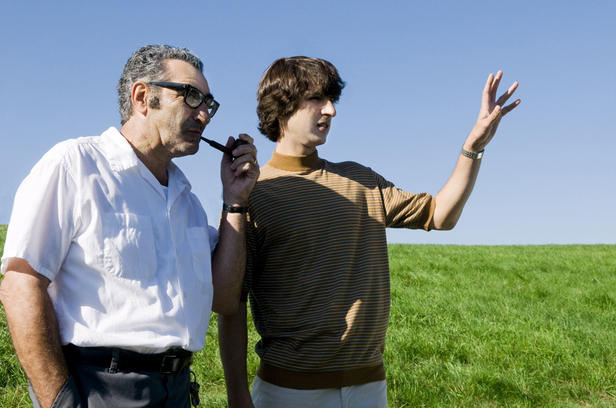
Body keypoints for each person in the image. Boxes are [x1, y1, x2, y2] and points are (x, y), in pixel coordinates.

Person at [218, 56, 520, 408]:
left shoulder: (361, 180)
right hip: (287, 392)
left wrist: (474, 147)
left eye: (332, 100)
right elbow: (232, 305)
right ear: (282, 105)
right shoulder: (251, 193)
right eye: (317, 98)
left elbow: (441, 215)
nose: (331, 110)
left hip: (369, 388)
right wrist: (237, 397)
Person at [0, 44, 259, 408]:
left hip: (178, 390)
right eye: (192, 97)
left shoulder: (188, 201)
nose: (204, 116)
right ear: (142, 97)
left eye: (208, 104)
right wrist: (59, 402)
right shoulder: (76, 165)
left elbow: (225, 297)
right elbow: (21, 286)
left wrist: (235, 201)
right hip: (97, 389)